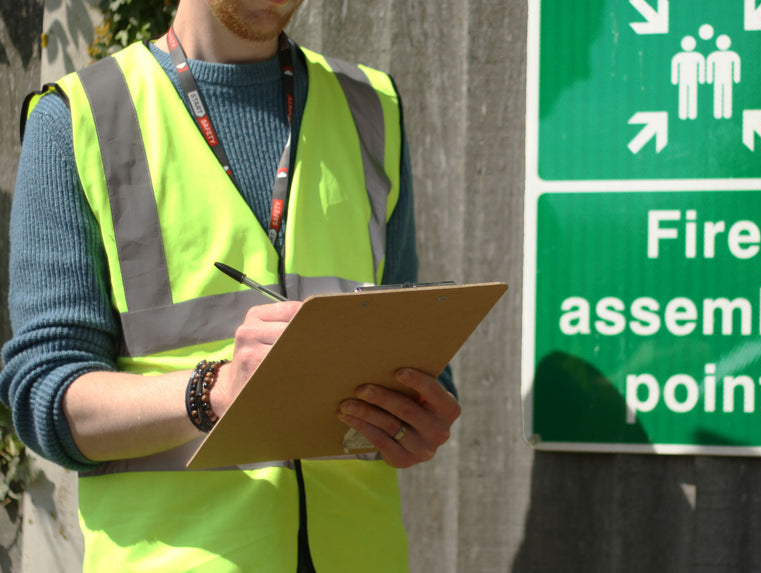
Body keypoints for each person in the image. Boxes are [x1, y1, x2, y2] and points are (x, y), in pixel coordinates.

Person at [0, 0, 461, 570]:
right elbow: (46, 397)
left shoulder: (373, 105)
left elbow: (408, 342)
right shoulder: (79, 115)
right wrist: (213, 392)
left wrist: (417, 413)